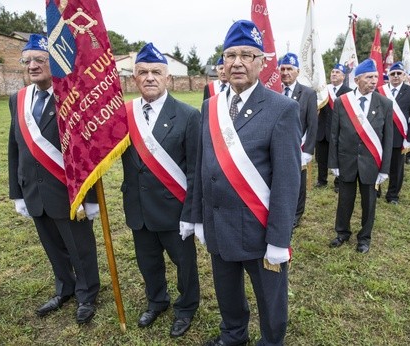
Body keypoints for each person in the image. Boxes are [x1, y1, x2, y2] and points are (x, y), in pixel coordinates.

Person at [192, 20, 301, 346]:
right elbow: (201, 165)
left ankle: (271, 341)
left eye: (247, 55)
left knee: (270, 299)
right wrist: (199, 216)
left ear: (262, 62)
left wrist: (279, 240)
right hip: (219, 222)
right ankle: (234, 334)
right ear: (222, 62)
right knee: (226, 291)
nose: (237, 62)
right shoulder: (211, 107)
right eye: (230, 55)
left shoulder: (283, 109)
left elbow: (287, 181)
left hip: (259, 227)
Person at [8, 34, 100, 324]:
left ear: (55, 62)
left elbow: (90, 152)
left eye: (40, 59)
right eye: (27, 60)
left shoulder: (72, 98)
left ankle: (87, 293)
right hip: (33, 189)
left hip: (68, 191)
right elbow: (14, 147)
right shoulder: (17, 100)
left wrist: (92, 197)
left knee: (79, 247)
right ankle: (65, 287)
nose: (33, 66)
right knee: (52, 245)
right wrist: (17, 192)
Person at [121, 42, 200, 337]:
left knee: (185, 264)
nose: (150, 77)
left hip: (174, 207)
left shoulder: (188, 115)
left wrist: (191, 213)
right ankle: (156, 301)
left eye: (156, 71)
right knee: (147, 261)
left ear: (168, 78)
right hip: (138, 205)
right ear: (134, 78)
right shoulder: (124, 114)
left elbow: (194, 169)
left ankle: (187, 306)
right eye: (143, 72)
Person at [328, 58, 393, 254]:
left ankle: (364, 238)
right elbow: (334, 134)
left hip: (371, 162)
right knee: (345, 200)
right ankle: (342, 233)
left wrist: (384, 168)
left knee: (369, 202)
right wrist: (334, 163)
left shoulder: (385, 103)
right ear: (357, 80)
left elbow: (388, 139)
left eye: (376, 77)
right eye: (369, 77)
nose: (374, 81)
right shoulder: (342, 102)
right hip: (346, 160)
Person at [279, 52, 317, 228]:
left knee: (298, 183)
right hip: (277, 145)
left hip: (299, 148)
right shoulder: (274, 91)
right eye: (283, 68)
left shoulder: (308, 93)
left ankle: (296, 214)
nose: (286, 72)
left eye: (290, 69)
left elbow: (312, 124)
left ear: (297, 71)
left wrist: (308, 150)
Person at [378, 62, 410, 204]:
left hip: (399, 137)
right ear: (388, 76)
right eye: (392, 74)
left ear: (404, 76)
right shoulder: (380, 91)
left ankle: (393, 195)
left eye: (398, 74)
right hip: (380, 136)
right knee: (377, 164)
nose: (395, 76)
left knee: (396, 168)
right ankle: (376, 189)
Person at [315, 63, 351, 191]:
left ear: (343, 76)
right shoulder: (323, 90)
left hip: (338, 131)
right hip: (322, 129)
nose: (334, 74)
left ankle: (338, 182)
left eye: (337, 72)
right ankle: (321, 180)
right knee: (321, 157)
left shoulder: (348, 92)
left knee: (338, 157)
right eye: (333, 72)